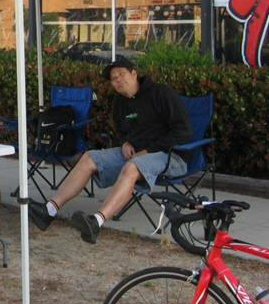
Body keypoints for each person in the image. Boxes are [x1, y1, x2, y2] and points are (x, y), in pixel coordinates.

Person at [28, 56, 192, 244]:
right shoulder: (120, 102)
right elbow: (122, 131)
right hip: (134, 154)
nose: (118, 80)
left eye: (121, 74)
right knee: (89, 157)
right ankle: (49, 210)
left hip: (170, 155)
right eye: (113, 79)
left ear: (134, 73)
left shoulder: (161, 93)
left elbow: (183, 132)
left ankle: (96, 222)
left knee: (132, 167)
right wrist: (125, 143)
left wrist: (148, 150)